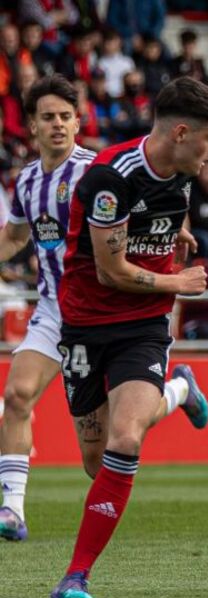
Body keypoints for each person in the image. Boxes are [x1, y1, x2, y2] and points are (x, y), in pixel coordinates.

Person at [49, 77, 208, 598]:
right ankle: (179, 392)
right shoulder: (111, 178)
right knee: (96, 459)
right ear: (179, 132)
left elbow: (171, 203)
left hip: (143, 326)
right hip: (85, 324)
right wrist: (181, 281)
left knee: (126, 441)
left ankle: (75, 577)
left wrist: (178, 233)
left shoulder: (182, 169)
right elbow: (109, 272)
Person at [0, 76, 98, 541]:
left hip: (102, 316)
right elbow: (17, 237)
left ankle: (179, 391)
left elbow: (148, 209)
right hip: (54, 310)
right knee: (17, 395)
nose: (57, 124)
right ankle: (12, 510)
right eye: (47, 117)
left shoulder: (98, 172)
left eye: (65, 116)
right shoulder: (26, 181)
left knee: (96, 462)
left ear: (77, 122)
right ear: (32, 127)